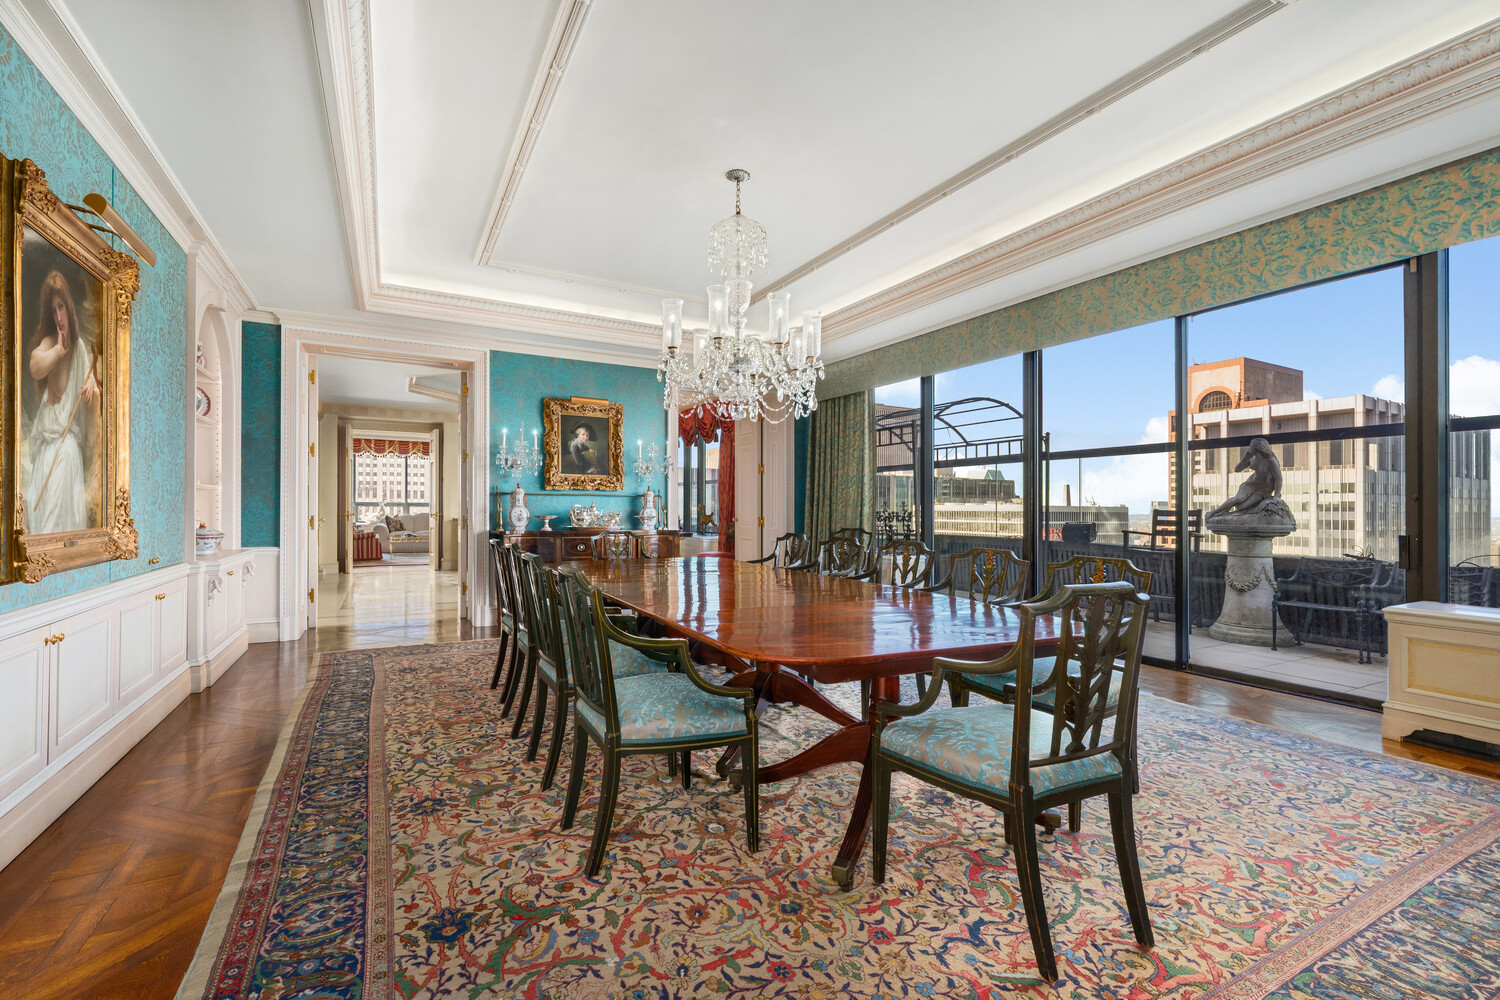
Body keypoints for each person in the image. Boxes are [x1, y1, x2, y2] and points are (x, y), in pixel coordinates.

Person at [24, 269, 97, 533]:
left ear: (68, 307)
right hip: (47, 444)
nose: (58, 316)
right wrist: (57, 351)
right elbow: (35, 367)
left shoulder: (78, 349)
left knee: (57, 507)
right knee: (38, 503)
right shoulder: (48, 343)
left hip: (65, 445)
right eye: (53, 310)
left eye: (61, 307)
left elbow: (92, 383)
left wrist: (90, 385)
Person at [1207, 437, 1281, 518]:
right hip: (1250, 484)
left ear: (1257, 447)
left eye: (1251, 446)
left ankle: (1226, 510)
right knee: (1237, 499)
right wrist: (1246, 457)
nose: (1250, 448)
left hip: (1263, 490)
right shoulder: (1252, 458)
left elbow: (1278, 478)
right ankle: (1214, 512)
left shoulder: (1270, 460)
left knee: (1240, 507)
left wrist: (1276, 495)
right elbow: (1237, 469)